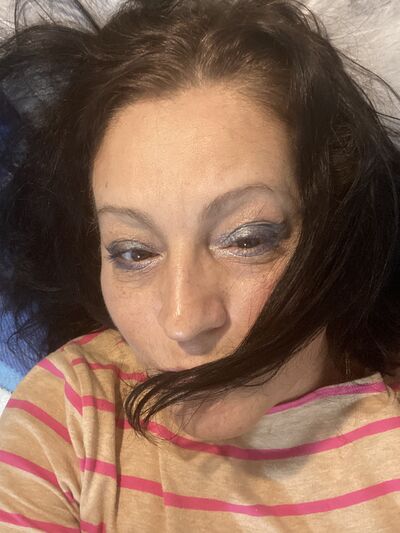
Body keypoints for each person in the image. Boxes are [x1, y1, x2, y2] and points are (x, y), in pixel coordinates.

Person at [0, 0, 399, 530]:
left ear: (340, 226)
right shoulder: (72, 418)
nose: (183, 320)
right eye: (133, 252)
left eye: (247, 240)